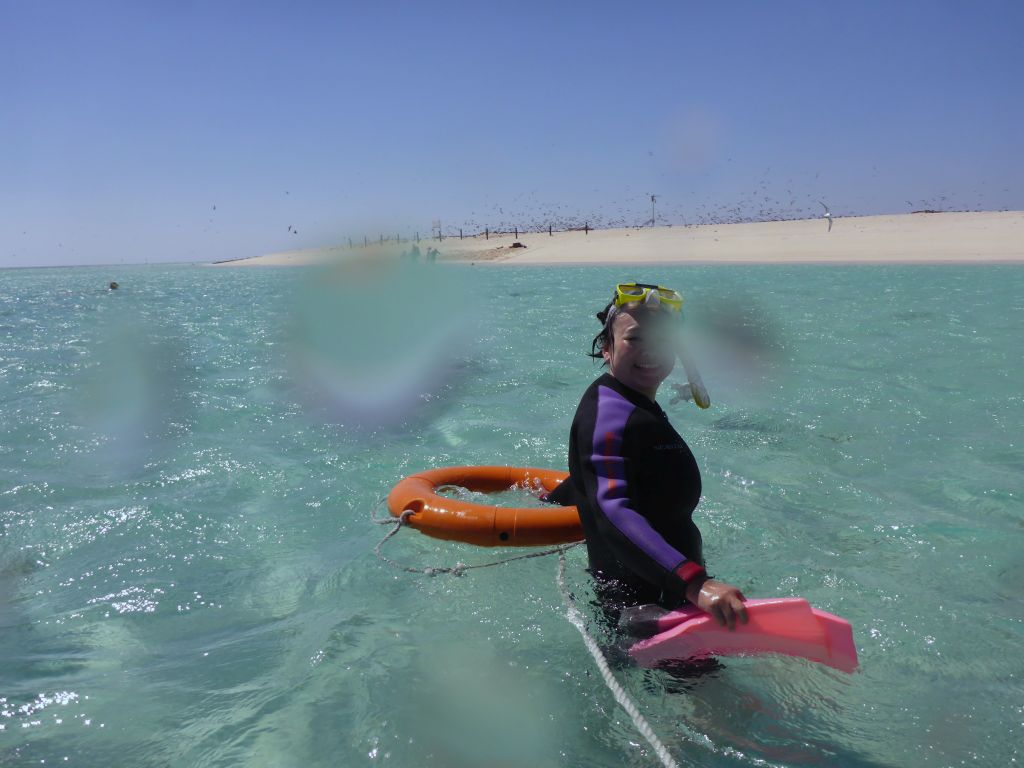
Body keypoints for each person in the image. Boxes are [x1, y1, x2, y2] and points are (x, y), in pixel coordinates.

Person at [546, 282, 748, 632]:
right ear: (607, 348)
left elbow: (600, 474)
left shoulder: (630, 404)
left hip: (674, 593)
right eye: (634, 338)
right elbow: (612, 508)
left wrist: (548, 498)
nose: (650, 350)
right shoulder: (609, 414)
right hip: (642, 613)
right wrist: (694, 583)